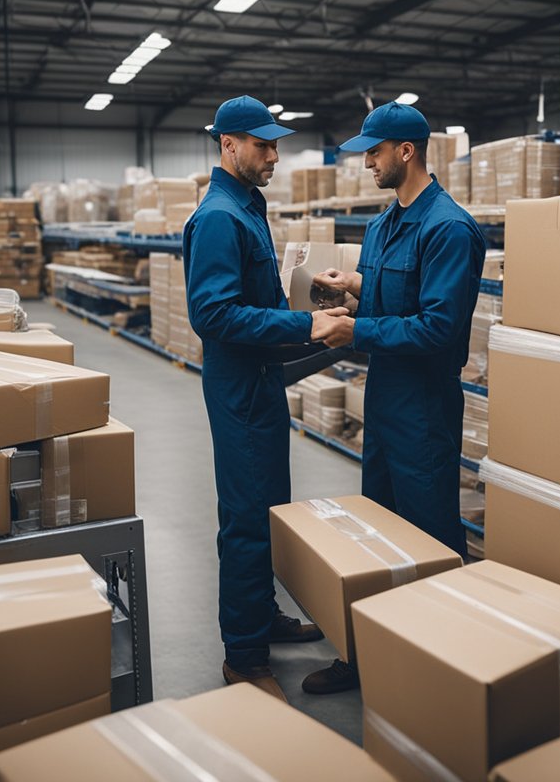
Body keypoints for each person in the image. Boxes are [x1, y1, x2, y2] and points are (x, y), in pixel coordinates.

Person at [305, 102, 485, 694]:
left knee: (430, 536)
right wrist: (352, 291)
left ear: (406, 152)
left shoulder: (449, 230)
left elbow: (437, 329)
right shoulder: (384, 225)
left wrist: (356, 330)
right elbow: (388, 304)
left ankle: (439, 665)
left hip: (425, 410)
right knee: (377, 535)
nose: (366, 163)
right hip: (384, 400)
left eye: (373, 152)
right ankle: (367, 656)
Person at [183, 95, 349, 701]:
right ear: (228, 144)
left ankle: (265, 615)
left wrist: (310, 299)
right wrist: (306, 328)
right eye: (262, 144)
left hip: (261, 381)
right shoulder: (219, 217)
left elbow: (257, 295)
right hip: (240, 389)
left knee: (271, 507)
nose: (274, 153)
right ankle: (245, 656)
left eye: (276, 143)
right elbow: (214, 314)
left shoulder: (249, 206)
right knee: (248, 520)